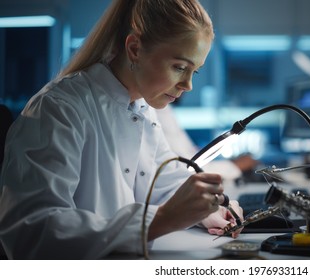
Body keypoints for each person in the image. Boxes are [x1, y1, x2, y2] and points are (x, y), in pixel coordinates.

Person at [0, 0, 243, 260]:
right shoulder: (59, 108)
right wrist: (157, 220)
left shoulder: (143, 109)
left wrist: (207, 209)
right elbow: (31, 232)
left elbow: (164, 184)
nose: (188, 85)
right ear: (135, 49)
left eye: (194, 70)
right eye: (179, 67)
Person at [156, 104, 259, 181]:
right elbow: (188, 169)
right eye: (178, 73)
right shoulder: (158, 109)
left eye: (194, 74)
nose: (188, 87)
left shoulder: (165, 108)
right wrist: (235, 166)